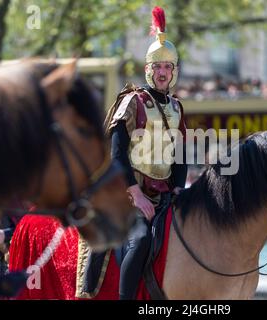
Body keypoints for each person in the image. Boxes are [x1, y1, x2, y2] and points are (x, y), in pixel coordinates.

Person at [104, 6, 187, 300]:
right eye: (157, 67)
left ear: (173, 72)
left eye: (168, 67)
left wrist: (178, 188)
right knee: (139, 241)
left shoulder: (177, 107)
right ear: (148, 70)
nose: (162, 72)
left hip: (164, 193)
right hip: (130, 193)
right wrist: (136, 195)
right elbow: (116, 154)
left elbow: (180, 155)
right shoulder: (132, 102)